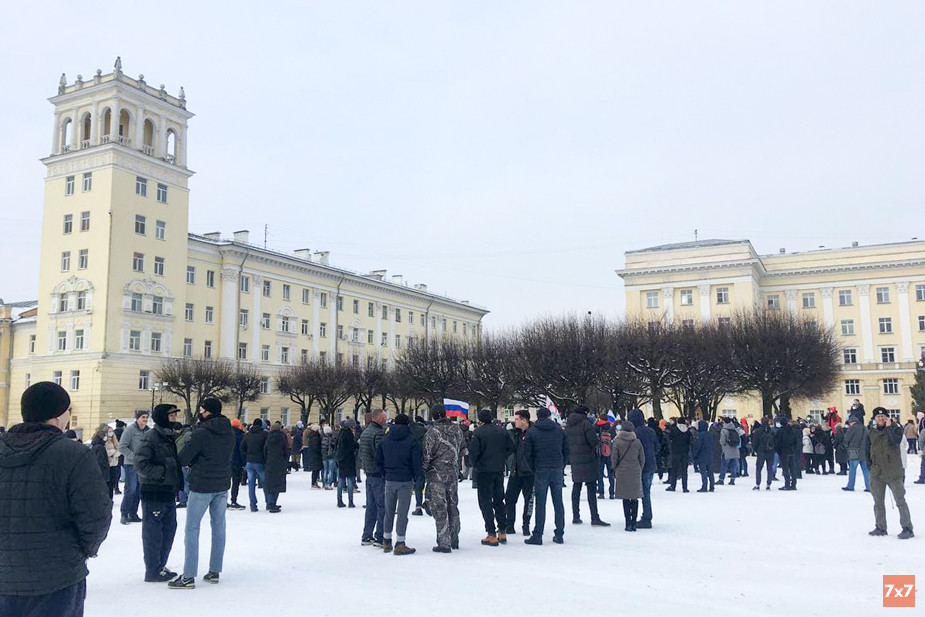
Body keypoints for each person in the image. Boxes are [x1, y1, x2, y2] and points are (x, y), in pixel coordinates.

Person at [0, 382, 111, 615]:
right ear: (59, 416)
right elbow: (96, 517)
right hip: (57, 577)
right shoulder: (74, 454)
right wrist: (80, 552)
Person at [169, 398, 235, 589]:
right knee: (219, 527)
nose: (200, 413)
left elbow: (184, 457)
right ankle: (214, 570)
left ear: (208, 412)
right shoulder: (229, 431)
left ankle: (188, 575)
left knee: (192, 529)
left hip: (202, 484)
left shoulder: (201, 433)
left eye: (202, 410)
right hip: (222, 483)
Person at [135, 404, 182, 583]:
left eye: (175, 415)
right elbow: (140, 464)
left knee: (169, 530)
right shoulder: (151, 437)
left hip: (168, 492)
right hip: (154, 492)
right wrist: (163, 473)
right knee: (154, 533)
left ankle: (160, 565)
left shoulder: (169, 436)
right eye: (171, 415)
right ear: (162, 416)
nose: (175, 418)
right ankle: (153, 569)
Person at [375, 413, 421, 555]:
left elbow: (378, 460)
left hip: (390, 479)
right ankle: (400, 543)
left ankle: (386, 540)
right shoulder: (412, 440)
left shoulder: (385, 439)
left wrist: (385, 473)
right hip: (405, 480)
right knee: (402, 513)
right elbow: (416, 461)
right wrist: (417, 477)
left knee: (388, 512)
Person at [523, 407, 569, 545]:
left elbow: (527, 454)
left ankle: (538, 535)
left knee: (540, 503)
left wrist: (534, 468)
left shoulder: (532, 431)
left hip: (540, 468)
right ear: (549, 416)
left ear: (537, 416)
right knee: (558, 502)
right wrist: (561, 465)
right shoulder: (559, 430)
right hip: (556, 468)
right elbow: (566, 450)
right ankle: (559, 534)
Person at [469, 409, 514, 546]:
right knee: (499, 500)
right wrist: (502, 458)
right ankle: (502, 530)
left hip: (484, 471)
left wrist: (476, 464)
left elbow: (474, 452)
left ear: (480, 420)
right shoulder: (502, 431)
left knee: (485, 502)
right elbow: (511, 447)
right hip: (498, 469)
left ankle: (491, 533)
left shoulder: (478, 433)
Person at [423, 405, 465, 553]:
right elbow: (463, 450)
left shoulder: (432, 432)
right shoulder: (457, 430)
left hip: (437, 474)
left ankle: (444, 542)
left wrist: (424, 470)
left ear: (433, 416)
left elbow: (427, 455)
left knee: (440, 506)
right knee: (453, 504)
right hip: (452, 472)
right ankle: (454, 538)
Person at [867, 408, 913, 539]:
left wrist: (888, 428)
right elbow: (867, 449)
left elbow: (895, 441)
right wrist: (870, 466)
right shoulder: (871, 432)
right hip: (877, 472)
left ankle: (907, 528)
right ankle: (880, 527)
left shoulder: (895, 429)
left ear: (887, 418)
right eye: (878, 416)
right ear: (874, 419)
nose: (881, 418)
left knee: (900, 501)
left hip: (893, 471)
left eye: (883, 416)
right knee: (878, 501)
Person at [565, 406, 609, 526]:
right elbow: (593, 441)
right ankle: (594, 517)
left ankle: (576, 516)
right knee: (591, 489)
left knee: (576, 487)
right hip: (588, 459)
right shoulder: (586, 424)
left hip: (575, 459)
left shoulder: (569, 425)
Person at [504, 410, 535, 536]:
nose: (514, 421)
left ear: (524, 420)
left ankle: (526, 525)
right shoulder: (513, 433)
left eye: (517, 419)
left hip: (529, 473)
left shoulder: (533, 433)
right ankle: (509, 525)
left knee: (529, 500)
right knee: (509, 499)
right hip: (515, 471)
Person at [359, 410, 387, 546]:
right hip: (378, 474)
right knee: (382, 506)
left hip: (369, 473)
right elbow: (380, 454)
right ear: (380, 419)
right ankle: (380, 536)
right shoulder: (379, 433)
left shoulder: (365, 432)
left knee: (371, 506)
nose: (386, 421)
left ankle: (367, 535)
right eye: (385, 418)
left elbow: (361, 453)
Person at [118, 409, 150, 525]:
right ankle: (124, 513)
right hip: (131, 464)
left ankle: (133, 513)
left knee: (139, 490)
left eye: (146, 417)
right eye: (143, 417)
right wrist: (134, 456)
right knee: (131, 489)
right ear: (137, 418)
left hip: (143, 465)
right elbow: (122, 447)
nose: (145, 419)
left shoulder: (148, 431)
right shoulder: (130, 430)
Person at [612, 420, 645, 531]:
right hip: (635, 471)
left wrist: (615, 469)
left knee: (625, 498)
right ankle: (634, 523)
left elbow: (614, 458)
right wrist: (639, 468)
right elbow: (642, 459)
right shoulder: (637, 442)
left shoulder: (617, 442)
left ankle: (628, 523)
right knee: (634, 498)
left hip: (622, 472)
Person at [627, 410, 657, 527]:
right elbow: (657, 447)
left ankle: (646, 518)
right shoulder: (651, 431)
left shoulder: (634, 433)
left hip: (640, 465)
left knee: (640, 493)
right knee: (646, 492)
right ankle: (646, 515)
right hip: (651, 464)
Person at [240, 417, 268, 512]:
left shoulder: (247, 435)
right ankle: (268, 502)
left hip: (249, 461)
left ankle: (253, 505)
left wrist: (246, 458)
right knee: (265, 483)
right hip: (260, 461)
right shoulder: (264, 434)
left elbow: (242, 448)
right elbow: (266, 448)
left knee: (251, 485)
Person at [263, 422, 289, 513]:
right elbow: (286, 450)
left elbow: (265, 450)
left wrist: (267, 459)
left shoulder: (268, 437)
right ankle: (273, 502)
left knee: (270, 483)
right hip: (280, 463)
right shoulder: (283, 437)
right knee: (278, 483)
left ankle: (270, 503)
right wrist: (285, 460)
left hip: (270, 462)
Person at [91, 424, 120, 501]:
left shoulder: (114, 440)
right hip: (106, 466)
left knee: (111, 485)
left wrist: (114, 453)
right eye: (109, 431)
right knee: (106, 486)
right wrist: (113, 452)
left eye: (111, 431)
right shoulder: (102, 442)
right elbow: (106, 453)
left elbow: (119, 451)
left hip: (114, 464)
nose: (111, 433)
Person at [843, 416, 870, 492]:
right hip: (864, 452)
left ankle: (850, 486)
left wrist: (847, 446)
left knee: (852, 470)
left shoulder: (852, 428)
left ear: (851, 422)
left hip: (854, 451)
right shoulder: (865, 428)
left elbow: (847, 439)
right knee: (866, 470)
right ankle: (869, 487)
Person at [336, 420, 358, 508]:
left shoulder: (340, 433)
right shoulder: (349, 435)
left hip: (341, 460)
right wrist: (356, 445)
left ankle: (339, 500)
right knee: (350, 480)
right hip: (348, 460)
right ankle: (350, 501)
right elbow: (350, 447)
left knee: (341, 480)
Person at [667, 417, 692, 492]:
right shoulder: (688, 431)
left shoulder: (674, 429)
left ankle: (673, 486)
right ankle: (685, 487)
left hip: (675, 452)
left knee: (674, 470)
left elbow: (670, 439)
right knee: (684, 470)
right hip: (685, 452)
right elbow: (690, 441)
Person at [691, 420, 715, 492]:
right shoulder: (710, 434)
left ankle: (704, 486)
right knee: (710, 471)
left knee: (703, 472)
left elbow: (697, 446)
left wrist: (694, 455)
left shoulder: (700, 435)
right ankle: (712, 486)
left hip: (702, 455)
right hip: (710, 455)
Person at [410, 416, 427, 515]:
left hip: (412, 459)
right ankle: (427, 500)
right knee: (423, 481)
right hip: (424, 458)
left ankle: (418, 505)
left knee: (415, 483)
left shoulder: (408, 431)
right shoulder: (424, 430)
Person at [752, 417, 775, 490]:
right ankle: (768, 484)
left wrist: (756, 450)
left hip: (761, 451)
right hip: (770, 452)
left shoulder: (758, 431)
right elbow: (775, 442)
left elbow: (755, 443)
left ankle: (757, 484)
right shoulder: (771, 431)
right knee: (770, 468)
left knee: (759, 468)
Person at [774, 417, 797, 491]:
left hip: (784, 452)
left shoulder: (780, 431)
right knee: (792, 468)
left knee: (785, 469)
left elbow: (778, 442)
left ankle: (787, 484)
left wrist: (778, 451)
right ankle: (793, 484)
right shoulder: (792, 430)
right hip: (791, 451)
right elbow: (795, 441)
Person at [227, 418, 246, 510]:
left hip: (226, 462)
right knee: (235, 482)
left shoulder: (226, 435)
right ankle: (233, 501)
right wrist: (244, 462)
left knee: (225, 482)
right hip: (237, 462)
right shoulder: (241, 435)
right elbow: (242, 450)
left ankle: (223, 501)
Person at [717, 418, 742, 485]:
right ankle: (732, 480)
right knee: (733, 466)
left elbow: (722, 441)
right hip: (735, 450)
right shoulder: (735, 429)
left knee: (724, 465)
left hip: (727, 451)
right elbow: (739, 440)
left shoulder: (724, 430)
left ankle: (721, 479)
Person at [303, 424, 323, 488]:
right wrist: (320, 450)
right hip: (316, 456)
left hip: (313, 455)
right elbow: (316, 447)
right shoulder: (315, 437)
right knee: (315, 470)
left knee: (315, 470)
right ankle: (314, 483)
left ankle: (314, 482)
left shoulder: (312, 436)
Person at [321, 423, 338, 489]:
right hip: (332, 456)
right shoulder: (333, 438)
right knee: (331, 470)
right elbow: (335, 447)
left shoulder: (322, 438)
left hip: (324, 456)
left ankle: (324, 483)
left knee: (325, 470)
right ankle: (329, 483)